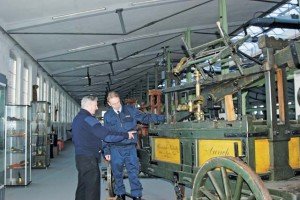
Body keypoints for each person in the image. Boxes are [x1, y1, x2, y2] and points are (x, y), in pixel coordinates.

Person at [103, 91, 165, 200]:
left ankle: (136, 195)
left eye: (118, 102)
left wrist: (162, 118)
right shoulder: (108, 115)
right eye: (114, 104)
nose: (117, 106)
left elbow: (145, 118)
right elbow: (105, 134)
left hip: (130, 148)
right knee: (117, 174)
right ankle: (120, 194)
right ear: (109, 103)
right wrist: (106, 151)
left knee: (133, 173)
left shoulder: (130, 110)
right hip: (115, 149)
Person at [72, 95, 135, 200]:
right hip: (89, 159)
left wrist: (103, 151)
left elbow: (87, 138)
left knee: (83, 187)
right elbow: (107, 136)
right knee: (92, 189)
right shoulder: (89, 119)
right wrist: (126, 135)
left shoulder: (77, 118)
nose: (97, 108)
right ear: (90, 105)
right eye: (96, 105)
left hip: (80, 158)